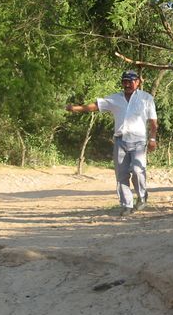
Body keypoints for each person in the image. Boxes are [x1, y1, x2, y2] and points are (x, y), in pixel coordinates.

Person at [66, 70, 158, 216]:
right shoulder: (115, 99)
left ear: (138, 82)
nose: (127, 84)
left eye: (130, 81)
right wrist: (75, 108)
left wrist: (152, 139)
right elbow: (96, 106)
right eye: (124, 81)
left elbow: (153, 121)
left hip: (139, 141)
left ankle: (142, 197)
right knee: (121, 174)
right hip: (120, 141)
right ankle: (126, 205)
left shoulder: (146, 98)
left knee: (137, 171)